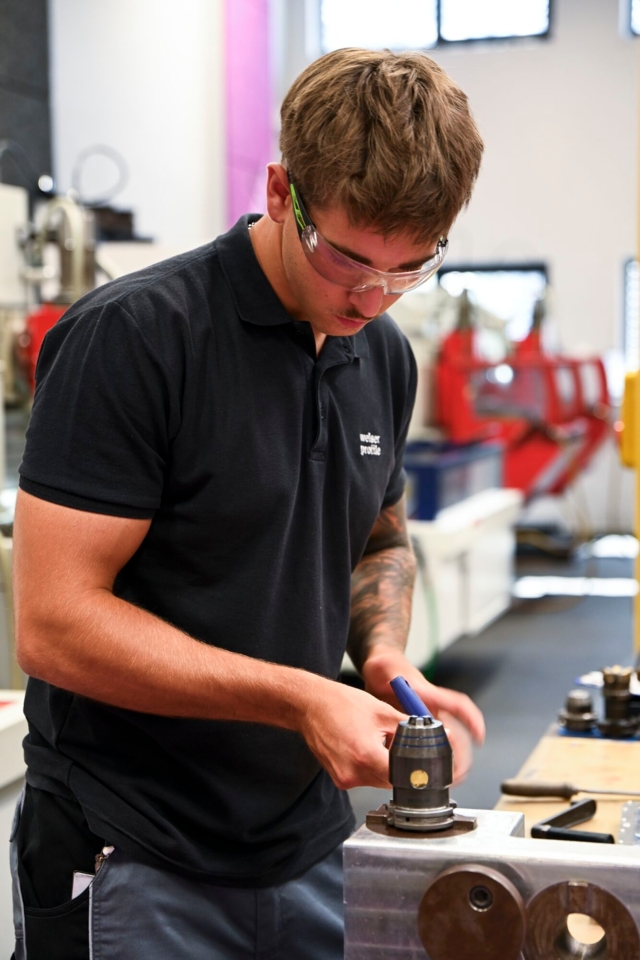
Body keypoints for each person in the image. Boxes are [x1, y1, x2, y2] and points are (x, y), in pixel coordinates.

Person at [11, 47, 485, 960]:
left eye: (408, 270)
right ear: (279, 191)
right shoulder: (137, 338)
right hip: (136, 848)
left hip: (310, 842)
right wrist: (300, 698)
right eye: (347, 259)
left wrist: (385, 661)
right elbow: (53, 624)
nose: (372, 298)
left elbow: (378, 539)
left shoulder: (384, 355)